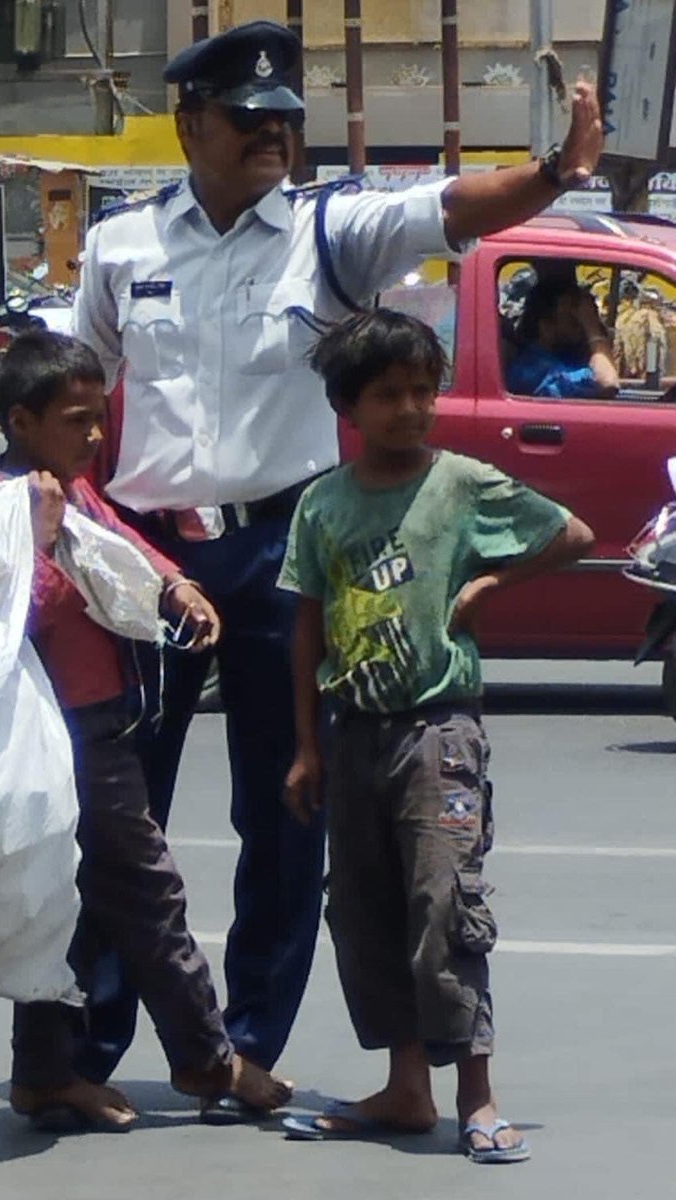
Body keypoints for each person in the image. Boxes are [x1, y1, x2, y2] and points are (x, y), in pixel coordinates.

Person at [72, 18, 604, 1119]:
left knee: (284, 809)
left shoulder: (328, 232)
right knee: (122, 812)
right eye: (249, 118)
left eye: (285, 121)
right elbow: (81, 387)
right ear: (190, 124)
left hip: (284, 548)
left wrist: (556, 173)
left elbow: (451, 208)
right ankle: (90, 1045)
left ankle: (239, 1051)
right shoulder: (120, 246)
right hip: (147, 550)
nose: (273, 135)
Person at [277, 310, 594, 1161]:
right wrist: (307, 746)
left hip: (437, 732)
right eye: (389, 395)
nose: (411, 409)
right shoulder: (323, 504)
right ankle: (405, 1087)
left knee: (445, 906)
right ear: (349, 406)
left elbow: (573, 533)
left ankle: (478, 1098)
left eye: (424, 391)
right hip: (355, 734)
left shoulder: (459, 483)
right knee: (363, 909)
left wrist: (490, 582)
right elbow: (306, 626)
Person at [0, 329, 292, 1131]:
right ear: (22, 420)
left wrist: (176, 583)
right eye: (76, 420)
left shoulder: (67, 488)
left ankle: (46, 1075)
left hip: (103, 720)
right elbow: (14, 613)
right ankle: (209, 1060)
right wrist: (44, 543)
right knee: (150, 895)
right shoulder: (9, 504)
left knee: (71, 908)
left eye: (97, 418)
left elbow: (120, 544)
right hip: (71, 735)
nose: (94, 436)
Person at [507, 276, 620, 398]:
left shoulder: (562, 360)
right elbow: (608, 383)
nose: (581, 327)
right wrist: (592, 329)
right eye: (573, 320)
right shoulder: (536, 369)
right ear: (546, 326)